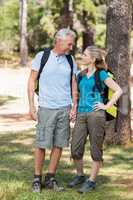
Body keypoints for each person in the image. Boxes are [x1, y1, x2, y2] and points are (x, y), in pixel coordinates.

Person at [27, 28, 78, 192]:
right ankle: (37, 178)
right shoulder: (42, 57)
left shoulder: (70, 60)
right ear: (59, 40)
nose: (71, 47)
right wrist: (31, 105)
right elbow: (31, 81)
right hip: (46, 108)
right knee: (41, 144)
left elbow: (74, 83)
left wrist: (74, 105)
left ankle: (50, 177)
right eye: (69, 44)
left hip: (64, 108)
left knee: (59, 144)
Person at [68, 46, 123, 193]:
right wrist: (74, 109)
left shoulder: (102, 74)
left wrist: (106, 106)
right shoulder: (80, 75)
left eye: (84, 55)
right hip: (81, 114)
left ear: (92, 59)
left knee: (95, 148)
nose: (82, 56)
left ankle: (91, 181)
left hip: (96, 115)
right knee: (75, 148)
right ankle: (80, 175)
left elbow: (118, 90)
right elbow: (77, 94)